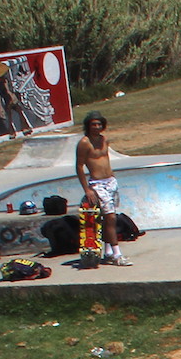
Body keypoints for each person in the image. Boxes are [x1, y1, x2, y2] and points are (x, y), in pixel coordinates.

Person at [74, 112, 130, 266]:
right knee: (111, 217)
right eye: (93, 124)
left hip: (111, 181)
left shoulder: (104, 140)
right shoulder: (84, 143)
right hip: (98, 184)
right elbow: (79, 167)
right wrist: (87, 189)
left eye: (99, 124)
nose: (96, 127)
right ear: (88, 125)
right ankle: (117, 253)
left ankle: (108, 252)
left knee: (108, 218)